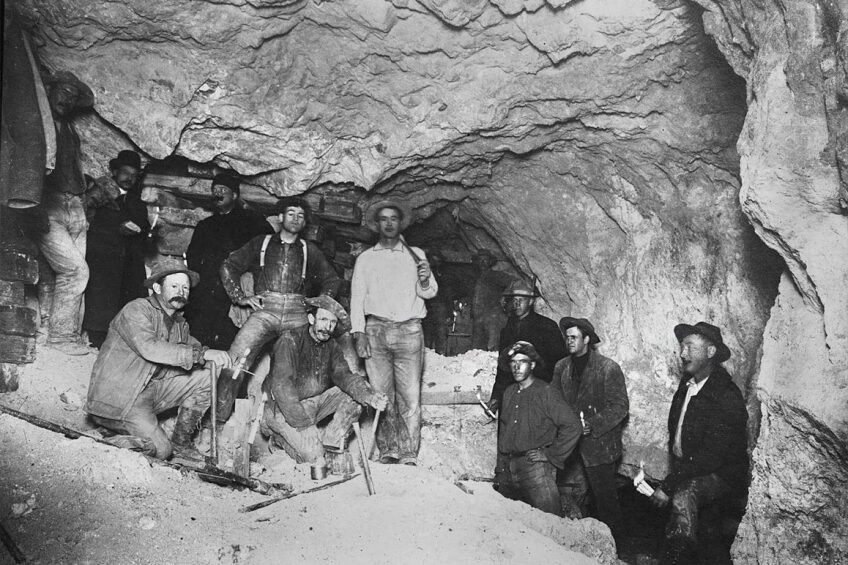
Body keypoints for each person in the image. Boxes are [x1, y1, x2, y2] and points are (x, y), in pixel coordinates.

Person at [84, 256, 232, 460]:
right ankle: (97, 441)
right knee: (161, 451)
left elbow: (195, 348)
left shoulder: (179, 324)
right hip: (119, 398)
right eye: (174, 285)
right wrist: (201, 354)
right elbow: (150, 348)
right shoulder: (136, 309)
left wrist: (218, 357)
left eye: (185, 288)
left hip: (149, 392)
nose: (181, 292)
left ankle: (181, 442)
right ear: (157, 287)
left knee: (206, 378)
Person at [215, 196, 340, 426]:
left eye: (300, 215)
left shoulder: (309, 250)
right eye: (290, 213)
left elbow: (331, 279)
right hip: (266, 309)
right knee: (236, 360)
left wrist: (318, 305)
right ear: (280, 217)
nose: (295, 219)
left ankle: (279, 424)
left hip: (297, 312)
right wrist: (240, 297)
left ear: (304, 223)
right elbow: (228, 266)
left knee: (297, 368)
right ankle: (218, 421)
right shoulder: (260, 243)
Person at [634, 322, 748, 565]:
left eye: (690, 347)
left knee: (684, 496)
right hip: (693, 468)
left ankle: (673, 561)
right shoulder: (688, 384)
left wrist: (671, 483)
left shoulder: (726, 396)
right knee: (690, 518)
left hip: (721, 475)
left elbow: (711, 457)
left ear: (710, 352)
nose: (683, 354)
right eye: (682, 347)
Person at [350, 199, 437, 466]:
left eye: (393, 219)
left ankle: (409, 452)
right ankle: (388, 449)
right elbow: (356, 298)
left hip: (409, 330)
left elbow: (430, 292)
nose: (389, 223)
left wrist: (424, 277)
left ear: (401, 223)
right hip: (376, 330)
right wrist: (359, 332)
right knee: (381, 394)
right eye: (383, 219)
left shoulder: (416, 254)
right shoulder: (366, 258)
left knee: (410, 395)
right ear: (377, 225)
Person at [260, 296, 388, 468]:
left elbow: (344, 376)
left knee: (359, 392)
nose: (328, 327)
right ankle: (278, 439)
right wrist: (304, 425)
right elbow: (282, 387)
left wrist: (369, 396)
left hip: (315, 404)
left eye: (333, 323)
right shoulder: (289, 340)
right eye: (323, 320)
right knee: (314, 458)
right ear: (311, 319)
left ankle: (332, 441)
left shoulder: (332, 345)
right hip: (283, 408)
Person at [552, 317, 629, 541]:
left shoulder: (608, 368)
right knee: (568, 494)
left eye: (574, 337)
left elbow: (620, 406)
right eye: (567, 337)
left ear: (586, 339)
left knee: (605, 502)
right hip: (569, 443)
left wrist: (592, 425)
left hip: (599, 446)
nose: (569, 341)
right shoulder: (561, 367)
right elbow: (554, 402)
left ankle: (617, 548)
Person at [36, 71, 95, 355]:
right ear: (50, 89)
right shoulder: (38, 123)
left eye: (73, 97)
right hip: (49, 205)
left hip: (75, 205)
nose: (67, 100)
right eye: (64, 92)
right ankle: (59, 338)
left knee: (66, 272)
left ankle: (65, 331)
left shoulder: (69, 130)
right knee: (75, 271)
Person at [184, 173, 272, 350]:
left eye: (223, 190)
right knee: (200, 336)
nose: (217, 193)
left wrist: (247, 268)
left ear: (235, 195)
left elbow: (269, 248)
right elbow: (192, 257)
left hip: (235, 290)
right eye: (214, 190)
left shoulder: (252, 221)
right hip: (207, 291)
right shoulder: (205, 225)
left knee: (230, 339)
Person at [494, 341, 582, 516]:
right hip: (509, 469)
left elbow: (573, 426)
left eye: (523, 362)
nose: (517, 367)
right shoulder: (509, 392)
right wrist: (500, 466)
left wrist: (550, 454)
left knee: (549, 524)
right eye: (513, 362)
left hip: (536, 470)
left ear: (532, 365)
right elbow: (504, 430)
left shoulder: (546, 392)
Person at [82, 150, 150, 348]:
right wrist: (117, 229)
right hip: (103, 256)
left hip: (128, 259)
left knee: (131, 296)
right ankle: (97, 338)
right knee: (102, 297)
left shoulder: (137, 201)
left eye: (134, 175)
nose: (129, 178)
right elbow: (88, 221)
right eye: (125, 173)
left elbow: (144, 228)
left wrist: (138, 230)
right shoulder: (100, 193)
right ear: (115, 171)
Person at [487, 279, 566, 412]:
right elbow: (502, 369)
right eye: (514, 300)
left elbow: (559, 366)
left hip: (538, 394)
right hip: (512, 394)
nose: (517, 304)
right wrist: (496, 396)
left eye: (522, 299)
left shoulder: (547, 326)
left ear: (531, 302)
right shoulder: (507, 330)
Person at [470, 249, 511, 351]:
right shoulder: (473, 277)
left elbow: (514, 283)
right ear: (477, 262)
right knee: (476, 349)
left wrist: (505, 297)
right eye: (480, 260)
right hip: (477, 318)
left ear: (490, 262)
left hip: (492, 317)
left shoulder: (496, 275)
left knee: (492, 347)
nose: (483, 262)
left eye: (485, 260)